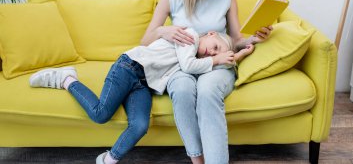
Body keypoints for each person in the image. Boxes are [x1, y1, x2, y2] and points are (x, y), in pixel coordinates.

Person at [29, 27, 252, 164]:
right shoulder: (190, 36)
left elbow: (202, 66)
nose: (211, 53)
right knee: (100, 114)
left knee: (139, 126)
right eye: (214, 46)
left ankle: (108, 159)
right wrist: (217, 59)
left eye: (215, 53)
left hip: (143, 83)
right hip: (128, 67)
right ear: (210, 34)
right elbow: (189, 64)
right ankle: (67, 79)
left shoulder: (197, 59)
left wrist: (239, 54)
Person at [140, 0, 273, 164]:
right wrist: (165, 31)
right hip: (181, 65)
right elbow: (145, 41)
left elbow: (235, 38)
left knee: (208, 90)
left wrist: (255, 38)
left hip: (218, 64)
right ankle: (197, 159)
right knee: (182, 89)